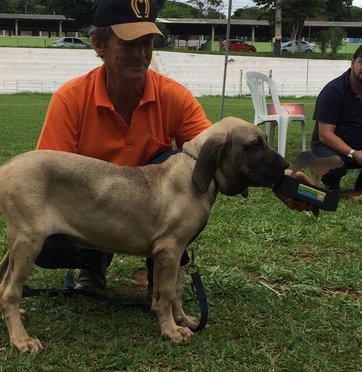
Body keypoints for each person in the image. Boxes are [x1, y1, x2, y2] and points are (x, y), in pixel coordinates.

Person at [34, 0, 318, 293]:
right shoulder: (70, 99)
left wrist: (280, 180)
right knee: (47, 245)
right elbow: (51, 177)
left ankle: (162, 271)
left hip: (151, 213)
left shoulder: (174, 96)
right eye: (130, 43)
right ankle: (93, 262)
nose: (141, 54)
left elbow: (214, 156)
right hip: (95, 210)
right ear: (98, 45)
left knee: (186, 164)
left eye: (147, 43)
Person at [311, 44, 362, 191]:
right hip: (331, 147)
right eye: (361, 62)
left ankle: (359, 187)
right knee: (334, 166)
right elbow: (325, 135)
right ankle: (331, 183)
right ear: (352, 63)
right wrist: (353, 153)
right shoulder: (333, 91)